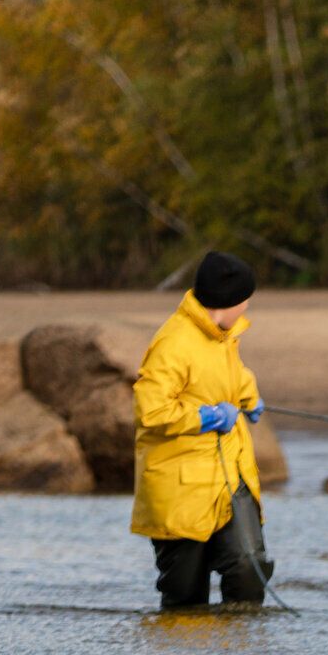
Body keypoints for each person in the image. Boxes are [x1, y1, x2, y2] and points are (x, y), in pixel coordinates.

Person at [130, 251, 274, 609]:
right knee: (185, 595)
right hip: (180, 486)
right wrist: (206, 417)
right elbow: (151, 410)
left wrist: (250, 397)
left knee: (248, 567)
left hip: (231, 475)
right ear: (230, 301)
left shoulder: (225, 337)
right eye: (246, 299)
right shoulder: (173, 342)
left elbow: (233, 375)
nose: (247, 306)